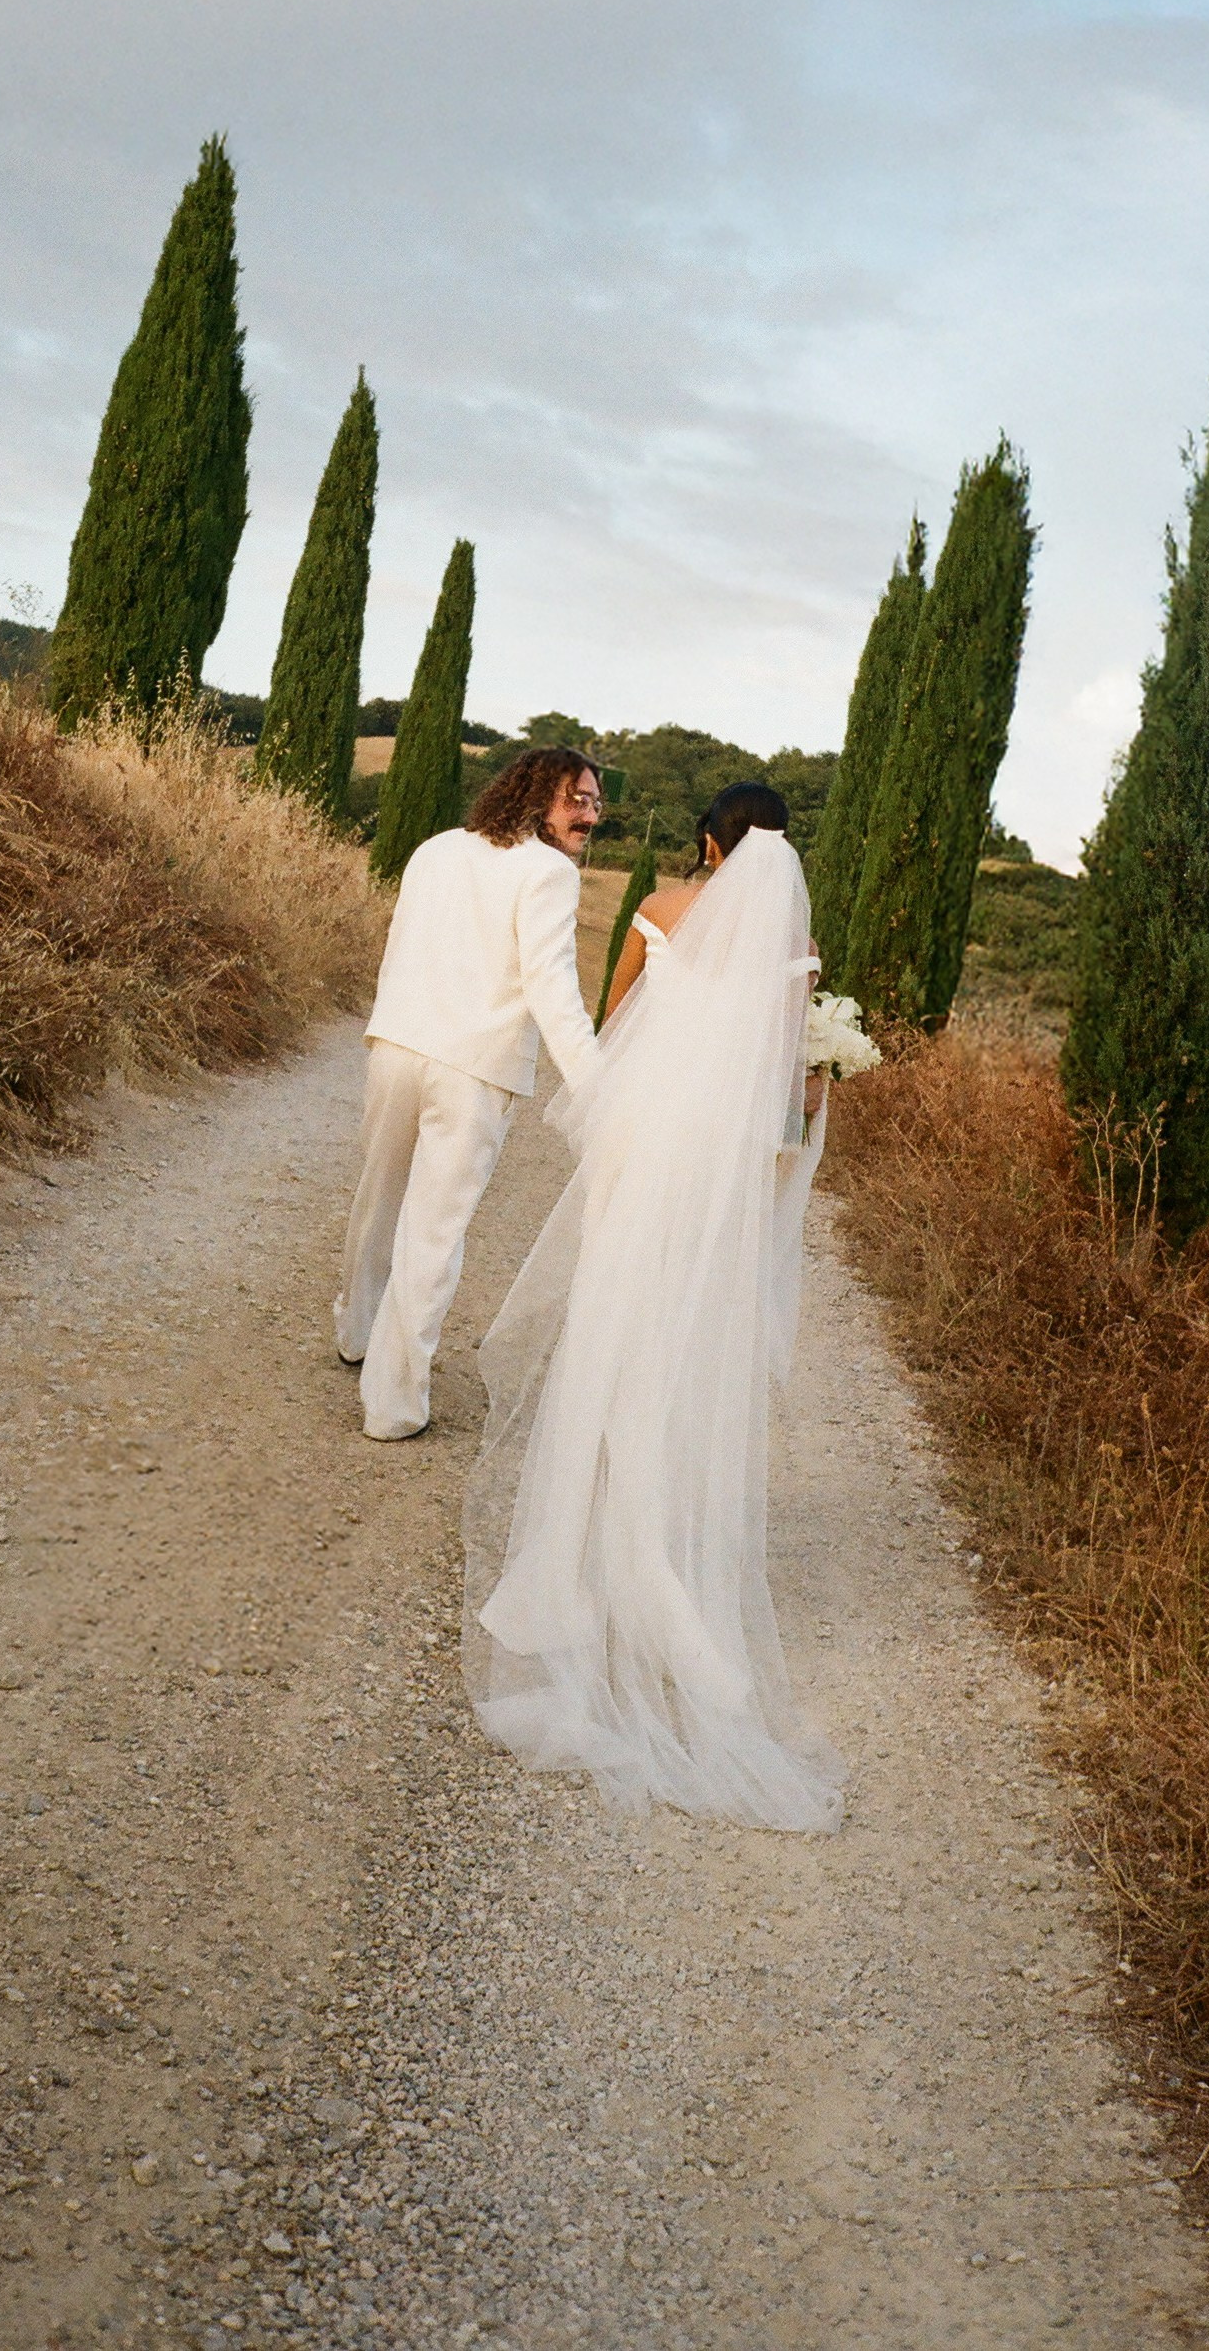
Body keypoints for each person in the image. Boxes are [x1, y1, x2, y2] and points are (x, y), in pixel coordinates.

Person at [463, 781, 846, 1832]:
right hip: (713, 1182)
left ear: (706, 846)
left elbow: (614, 1026)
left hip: (641, 1163)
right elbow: (788, 1084)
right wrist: (819, 1090)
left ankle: (584, 1555)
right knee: (682, 1354)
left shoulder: (658, 913)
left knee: (612, 1337)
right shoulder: (792, 949)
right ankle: (658, 1557)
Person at [337, 745, 605, 1443]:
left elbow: (399, 947)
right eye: (576, 798)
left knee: (379, 1196)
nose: (589, 814)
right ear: (535, 795)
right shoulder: (548, 873)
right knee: (433, 1229)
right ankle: (392, 1404)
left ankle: (355, 1332)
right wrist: (599, 1091)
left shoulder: (435, 849)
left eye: (596, 802)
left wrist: (387, 1026)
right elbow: (553, 990)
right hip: (473, 1070)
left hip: (397, 1045)